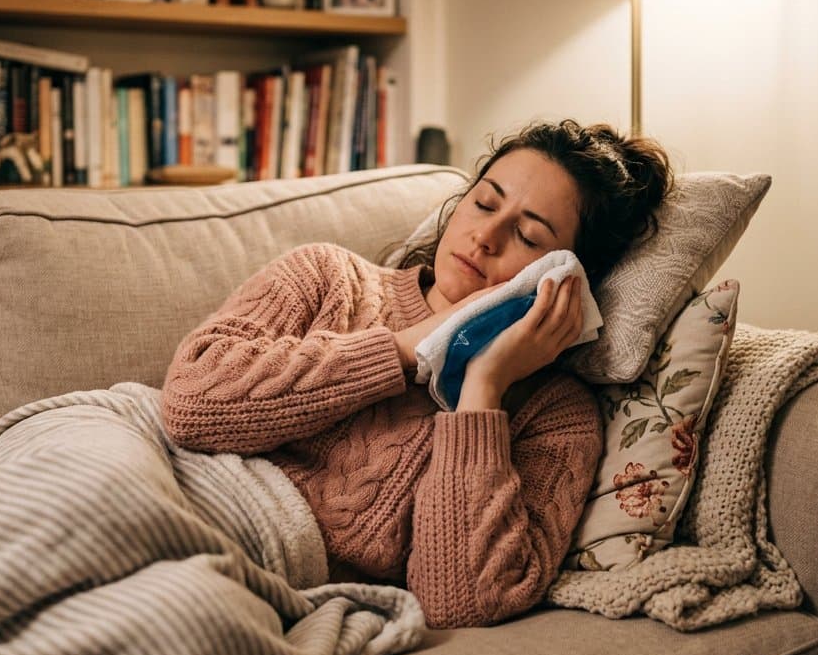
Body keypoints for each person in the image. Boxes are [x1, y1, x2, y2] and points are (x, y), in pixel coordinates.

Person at [162, 119, 673, 628]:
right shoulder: (329, 277)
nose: (486, 237)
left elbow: (464, 600)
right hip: (162, 480)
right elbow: (189, 405)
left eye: (527, 234)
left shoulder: (555, 416)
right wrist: (408, 347)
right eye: (485, 203)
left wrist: (484, 386)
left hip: (246, 574)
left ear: (567, 279)